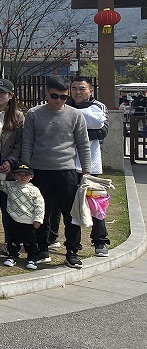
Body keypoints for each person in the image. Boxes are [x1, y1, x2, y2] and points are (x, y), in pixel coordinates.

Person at [20, 75, 92, 269]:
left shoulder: (75, 115)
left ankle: (72, 252)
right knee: (40, 213)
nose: (59, 100)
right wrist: (26, 169)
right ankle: (42, 250)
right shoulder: (34, 114)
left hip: (67, 171)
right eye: (54, 96)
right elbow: (27, 142)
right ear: (46, 93)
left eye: (64, 97)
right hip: (39, 171)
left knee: (71, 214)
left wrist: (87, 171)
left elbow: (83, 144)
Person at [68, 76, 111, 257]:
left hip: (90, 165)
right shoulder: (64, 105)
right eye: (74, 88)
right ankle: (63, 241)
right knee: (67, 204)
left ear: (91, 90)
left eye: (82, 88)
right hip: (68, 163)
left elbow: (101, 129)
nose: (77, 92)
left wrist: (74, 128)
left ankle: (100, 241)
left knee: (95, 204)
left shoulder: (98, 106)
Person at [0, 78, 25, 254]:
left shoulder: (18, 116)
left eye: (2, 92)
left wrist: (10, 161)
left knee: (8, 205)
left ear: (10, 95)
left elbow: (20, 143)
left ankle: (10, 241)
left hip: (9, 164)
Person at [2, 161, 45, 270]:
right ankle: (12, 256)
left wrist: (38, 219)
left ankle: (31, 258)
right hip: (13, 219)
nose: (23, 177)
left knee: (30, 241)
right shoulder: (10, 186)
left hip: (29, 221)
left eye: (26, 175)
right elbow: (0, 183)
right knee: (13, 240)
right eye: (19, 174)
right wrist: (2, 173)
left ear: (31, 176)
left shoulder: (34, 190)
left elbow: (39, 205)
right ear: (14, 175)